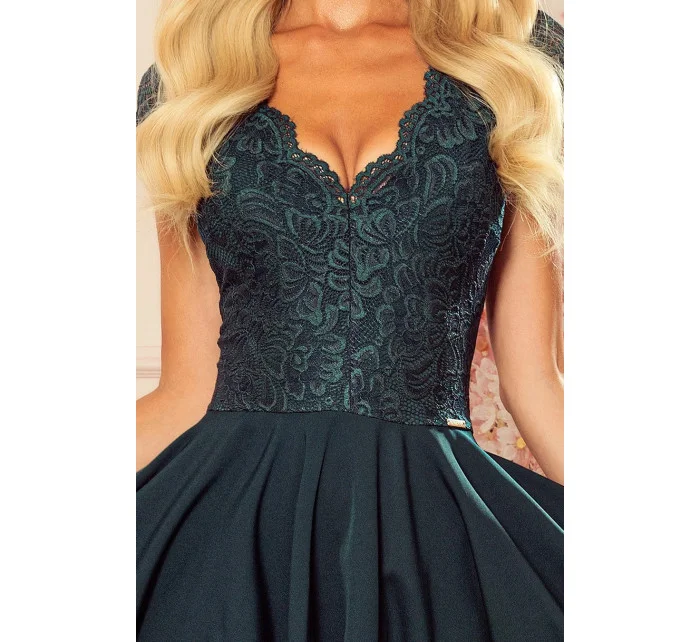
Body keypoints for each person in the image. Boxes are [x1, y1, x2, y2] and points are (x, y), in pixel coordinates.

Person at [136, 0, 564, 639]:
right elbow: (187, 389)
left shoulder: (514, 55)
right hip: (231, 536)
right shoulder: (195, 70)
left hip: (430, 533)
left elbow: (534, 382)